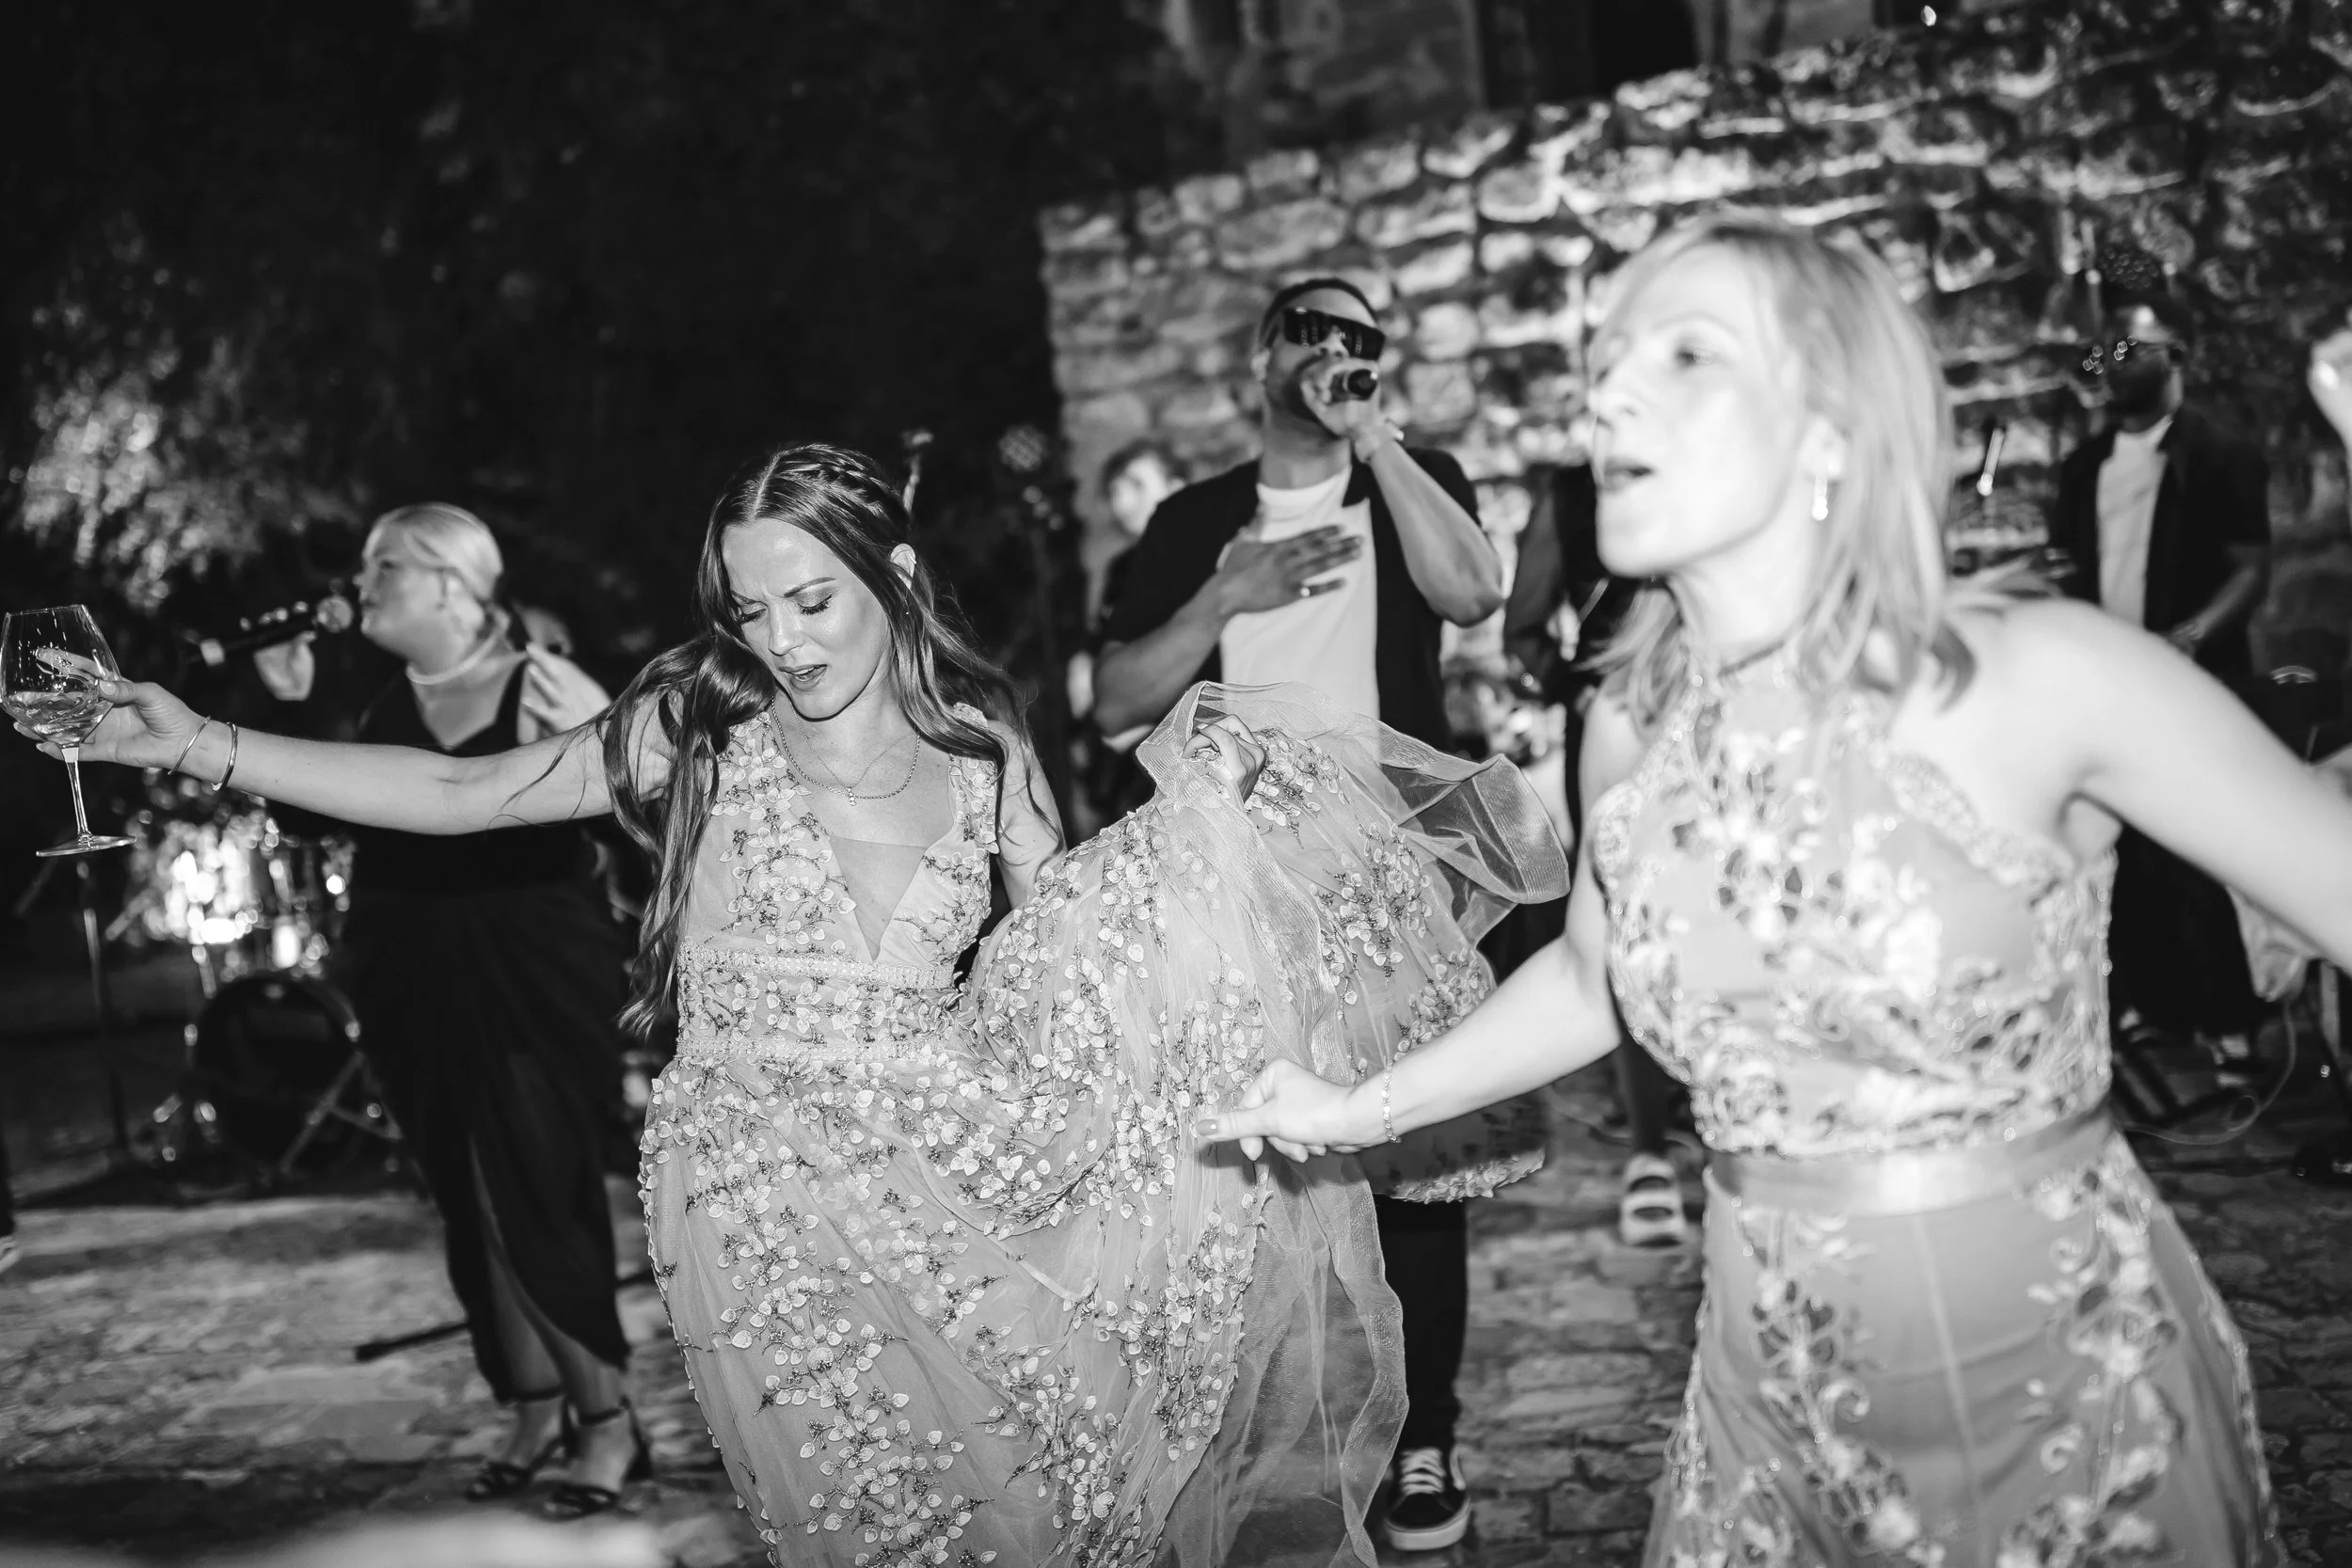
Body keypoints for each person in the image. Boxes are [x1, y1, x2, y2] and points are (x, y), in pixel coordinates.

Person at [39, 444, 1566, 1568]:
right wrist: (195, 742)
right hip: (752, 1173)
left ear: (890, 576)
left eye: (811, 599)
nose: (782, 638)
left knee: (1039, 1492)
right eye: (753, 606)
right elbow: (465, 787)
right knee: (861, 1511)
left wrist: (1242, 920)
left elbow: (1073, 944)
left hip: (948, 1144)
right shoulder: (700, 717)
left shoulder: (981, 739)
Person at [1204, 212, 2300, 1565]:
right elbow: (1594, 973)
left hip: (2067, 1408)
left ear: (1831, 426)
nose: (1608, 391)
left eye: (1685, 354)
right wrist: (1348, 1109)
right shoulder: (1629, 721)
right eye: (1608, 360)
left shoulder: (2043, 674)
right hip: (1766, 1423)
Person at [1091, 275, 1510, 1552]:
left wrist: (1380, 442)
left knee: (1411, 1153)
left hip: (1385, 876)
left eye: (1362, 338)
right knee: (1226, 1164)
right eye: (1311, 329)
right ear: (1261, 357)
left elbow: (1471, 593)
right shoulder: (1194, 519)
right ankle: (1249, 1434)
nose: (1336, 350)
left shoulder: (1408, 475)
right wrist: (1226, 595)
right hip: (1230, 879)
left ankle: (1422, 1435)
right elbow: (1117, 694)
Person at [249, 505, 639, 1518]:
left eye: (387, 566)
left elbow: (628, 807)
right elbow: (316, 805)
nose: (363, 583)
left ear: (454, 585)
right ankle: (532, 1402)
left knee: (536, 1181)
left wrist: (605, 727)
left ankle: (609, 1422)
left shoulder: (543, 678)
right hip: (410, 967)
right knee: (464, 1192)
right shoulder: (374, 703)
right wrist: (287, 709)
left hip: (532, 967)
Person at [2049, 297, 2273, 1069]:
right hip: (2108, 681)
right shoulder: (2083, 467)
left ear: (2173, 353)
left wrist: (2188, 638)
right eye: (2102, 350)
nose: (2109, 362)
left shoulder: (2220, 452)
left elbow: (2251, 568)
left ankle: (2230, 1018)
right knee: (2123, 846)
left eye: (2128, 348)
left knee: (2197, 843)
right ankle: (2153, 1006)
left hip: (2191, 676)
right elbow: (2075, 566)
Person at [1501, 464, 1691, 1249]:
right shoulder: (1571, 495)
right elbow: (1522, 626)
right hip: (1624, 706)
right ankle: (1650, 1139)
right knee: (1631, 921)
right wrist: (1579, 688)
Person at [1067, 440, 1185, 832]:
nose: (1124, 499)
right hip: (1124, 741)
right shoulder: (1121, 567)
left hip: (1177, 725)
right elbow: (1104, 634)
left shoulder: (1201, 555)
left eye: (1136, 484)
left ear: (1176, 487)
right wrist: (1085, 661)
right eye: (1116, 489)